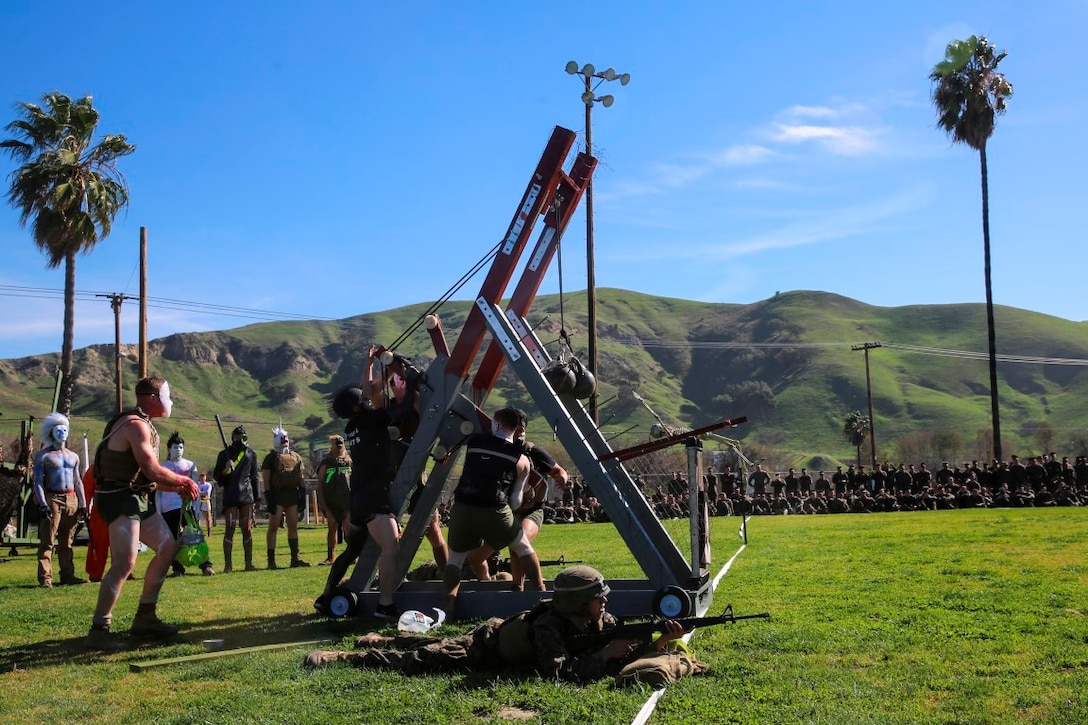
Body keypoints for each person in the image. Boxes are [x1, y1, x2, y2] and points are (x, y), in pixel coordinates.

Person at [303, 565, 702, 688]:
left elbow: (620, 643)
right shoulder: (549, 625)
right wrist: (603, 656)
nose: (606, 602)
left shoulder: (602, 620)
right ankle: (348, 654)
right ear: (578, 602)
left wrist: (664, 638)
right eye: (599, 596)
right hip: (485, 646)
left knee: (429, 645)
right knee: (422, 658)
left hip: (494, 637)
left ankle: (382, 637)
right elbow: (558, 675)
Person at [85, 376, 200, 650]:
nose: (169, 401)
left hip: (133, 496)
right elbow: (150, 469)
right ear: (151, 397)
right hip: (119, 498)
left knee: (167, 546)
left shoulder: (141, 424)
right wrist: (183, 481)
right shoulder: (136, 426)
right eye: (165, 395)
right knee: (125, 562)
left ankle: (145, 617)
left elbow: (143, 478)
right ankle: (99, 629)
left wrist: (175, 487)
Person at [315, 346, 419, 619]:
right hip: (373, 497)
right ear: (357, 406)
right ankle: (385, 604)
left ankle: (326, 596)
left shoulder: (352, 426)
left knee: (352, 550)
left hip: (358, 498)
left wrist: (370, 362)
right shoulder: (372, 420)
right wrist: (413, 381)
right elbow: (405, 406)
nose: (368, 394)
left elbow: (366, 389)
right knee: (391, 548)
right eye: (364, 397)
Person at [441, 407, 545, 616]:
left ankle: (449, 604)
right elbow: (516, 500)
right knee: (523, 547)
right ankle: (541, 593)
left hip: (463, 507)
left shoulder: (474, 442)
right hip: (495, 509)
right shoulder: (521, 459)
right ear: (517, 429)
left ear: (495, 424)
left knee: (454, 560)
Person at [467, 415, 569, 589]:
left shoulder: (532, 451)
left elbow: (558, 470)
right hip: (504, 513)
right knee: (475, 558)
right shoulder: (495, 450)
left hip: (531, 510)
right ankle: (487, 584)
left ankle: (528, 589)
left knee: (518, 543)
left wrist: (562, 478)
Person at [33, 412, 88, 588]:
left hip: (71, 498)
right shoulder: (43, 456)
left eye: (65, 429)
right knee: (48, 540)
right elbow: (38, 482)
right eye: (58, 429)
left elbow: (78, 480)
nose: (62, 432)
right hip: (52, 498)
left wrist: (83, 504)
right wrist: (42, 504)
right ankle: (45, 578)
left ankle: (67, 575)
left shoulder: (73, 456)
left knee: (67, 541)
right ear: (51, 431)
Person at [158, 432, 214, 576]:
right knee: (171, 540)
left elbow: (194, 486)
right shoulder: (163, 467)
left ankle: (206, 565)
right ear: (169, 449)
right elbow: (158, 490)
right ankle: (177, 568)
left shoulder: (190, 466)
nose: (178, 450)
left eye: (181, 447)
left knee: (195, 536)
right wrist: (158, 510)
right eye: (175, 447)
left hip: (187, 506)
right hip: (168, 507)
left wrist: (196, 507)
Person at [214, 424, 260, 572]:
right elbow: (218, 478)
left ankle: (248, 563)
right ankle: (228, 565)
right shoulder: (224, 454)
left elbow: (254, 477)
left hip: (246, 495)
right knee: (230, 528)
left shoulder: (251, 454)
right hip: (230, 494)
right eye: (238, 437)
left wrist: (257, 497)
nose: (241, 439)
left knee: (247, 528)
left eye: (243, 437)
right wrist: (226, 470)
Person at [263, 425, 309, 568]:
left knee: (293, 526)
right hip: (277, 495)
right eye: (281, 437)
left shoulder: (296, 457)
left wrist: (302, 494)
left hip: (292, 495)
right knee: (274, 527)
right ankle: (271, 561)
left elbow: (301, 478)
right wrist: (269, 498)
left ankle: (295, 558)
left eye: (286, 437)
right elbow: (266, 480)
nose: (284, 440)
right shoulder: (270, 458)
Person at [315, 434, 352, 566]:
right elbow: (320, 483)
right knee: (332, 527)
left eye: (341, 444)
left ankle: (352, 555)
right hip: (331, 501)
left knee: (349, 528)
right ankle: (331, 556)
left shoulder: (349, 460)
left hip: (347, 501)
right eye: (336, 444)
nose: (339, 446)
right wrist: (322, 503)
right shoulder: (327, 462)